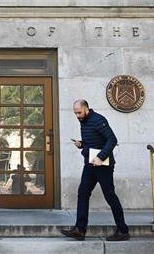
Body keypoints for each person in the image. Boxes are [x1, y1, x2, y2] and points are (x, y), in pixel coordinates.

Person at [60, 99, 130, 241]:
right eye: (75, 113)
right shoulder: (84, 121)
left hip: (103, 165)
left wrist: (100, 157)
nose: (77, 116)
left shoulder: (98, 120)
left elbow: (112, 139)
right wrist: (82, 144)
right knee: (83, 193)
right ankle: (80, 230)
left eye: (79, 112)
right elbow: (94, 140)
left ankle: (123, 231)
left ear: (86, 109)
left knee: (110, 196)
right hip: (90, 164)